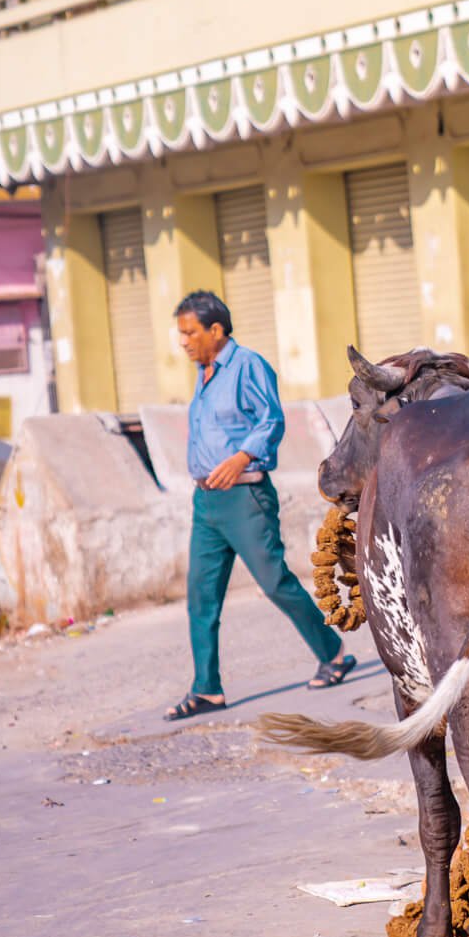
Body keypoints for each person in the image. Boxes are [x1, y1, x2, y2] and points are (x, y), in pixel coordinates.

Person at [165, 289, 354, 720]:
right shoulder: (205, 372)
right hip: (206, 503)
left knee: (274, 583)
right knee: (201, 595)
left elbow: (271, 419)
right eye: (181, 334)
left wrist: (241, 457)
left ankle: (334, 654)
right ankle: (206, 688)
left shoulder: (246, 365)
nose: (184, 342)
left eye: (190, 332)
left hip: (245, 496)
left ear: (216, 330)